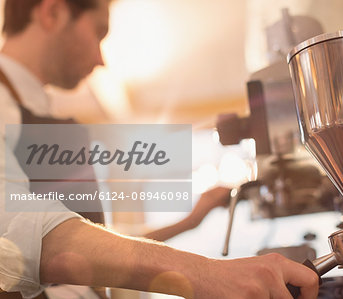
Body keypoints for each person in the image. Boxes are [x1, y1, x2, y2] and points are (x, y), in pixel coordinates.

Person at [0, 0, 319, 299]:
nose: (101, 59)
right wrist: (207, 274)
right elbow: (16, 226)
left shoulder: (36, 117)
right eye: (99, 32)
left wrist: (190, 220)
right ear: (52, 12)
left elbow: (99, 240)